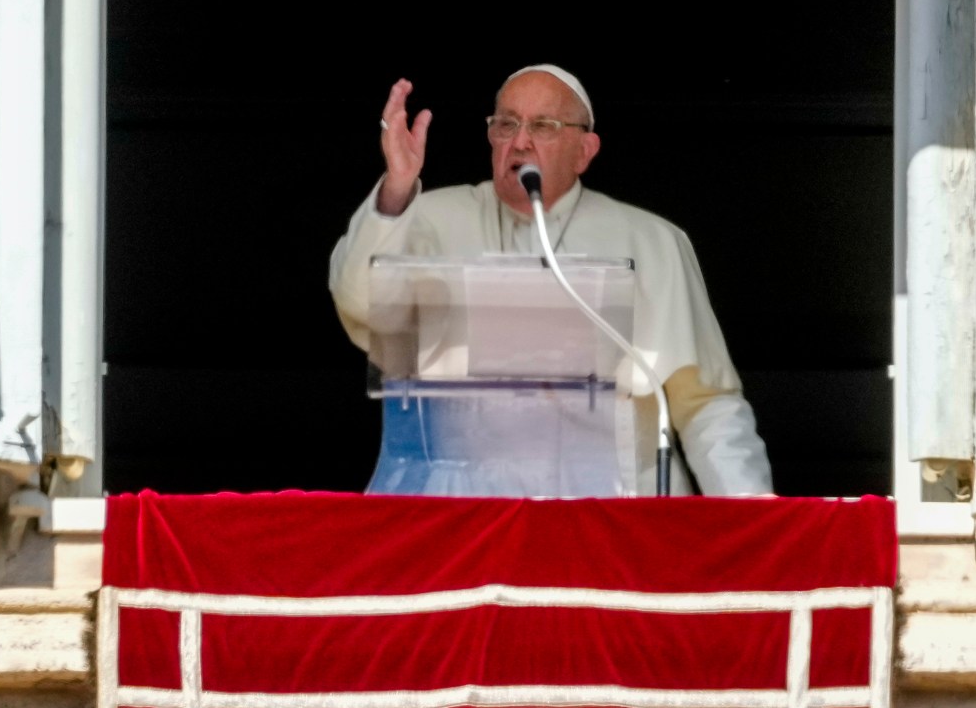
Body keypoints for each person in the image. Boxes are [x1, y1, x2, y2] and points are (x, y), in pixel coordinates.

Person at [330, 66, 773, 496]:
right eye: (506, 124)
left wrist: (756, 521)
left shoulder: (653, 241)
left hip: (616, 510)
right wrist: (398, 186)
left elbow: (705, 403)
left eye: (543, 126)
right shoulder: (426, 218)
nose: (520, 141)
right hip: (467, 511)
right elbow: (359, 301)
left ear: (585, 150)